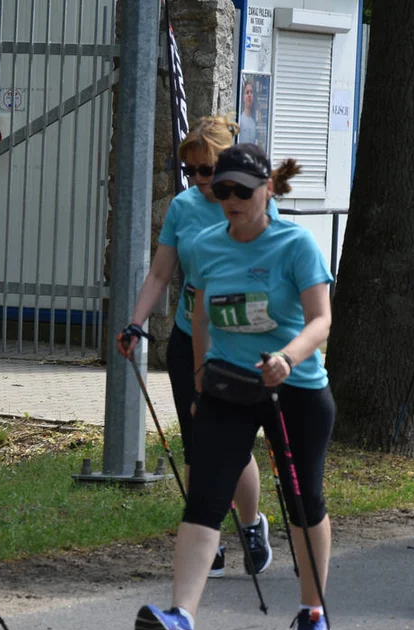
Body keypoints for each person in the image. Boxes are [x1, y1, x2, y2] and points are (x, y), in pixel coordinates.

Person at [134, 144, 336, 630]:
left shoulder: (296, 245)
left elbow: (321, 319)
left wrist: (288, 359)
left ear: (267, 190)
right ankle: (181, 620)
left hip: (296, 387)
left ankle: (313, 615)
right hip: (229, 387)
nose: (229, 199)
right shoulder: (203, 244)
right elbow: (200, 313)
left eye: (240, 191)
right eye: (220, 190)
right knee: (204, 496)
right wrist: (201, 379)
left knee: (302, 499)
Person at [118, 115, 274, 579]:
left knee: (231, 441)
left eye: (207, 171)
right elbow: (161, 273)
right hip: (191, 338)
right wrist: (135, 321)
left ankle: (250, 525)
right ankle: (209, 535)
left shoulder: (258, 203)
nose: (200, 182)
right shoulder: (184, 208)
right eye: (191, 171)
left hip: (241, 341)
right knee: (196, 443)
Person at [238, 79, 258, 146]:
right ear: (243, 97)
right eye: (247, 92)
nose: (249, 95)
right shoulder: (240, 120)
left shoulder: (253, 122)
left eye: (251, 92)